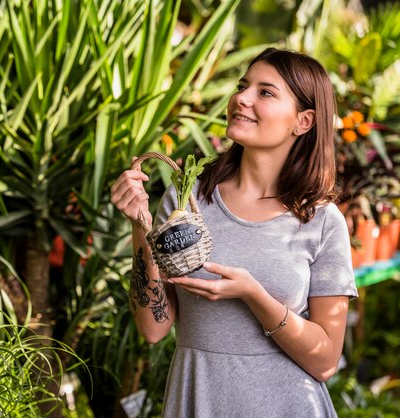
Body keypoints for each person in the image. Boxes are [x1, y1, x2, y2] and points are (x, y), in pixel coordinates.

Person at [110, 48, 358, 417]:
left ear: (303, 121)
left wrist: (254, 295)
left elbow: (324, 362)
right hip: (198, 401)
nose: (241, 98)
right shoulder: (186, 203)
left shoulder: (322, 221)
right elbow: (154, 328)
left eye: (265, 92)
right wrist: (141, 227)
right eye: (243, 86)